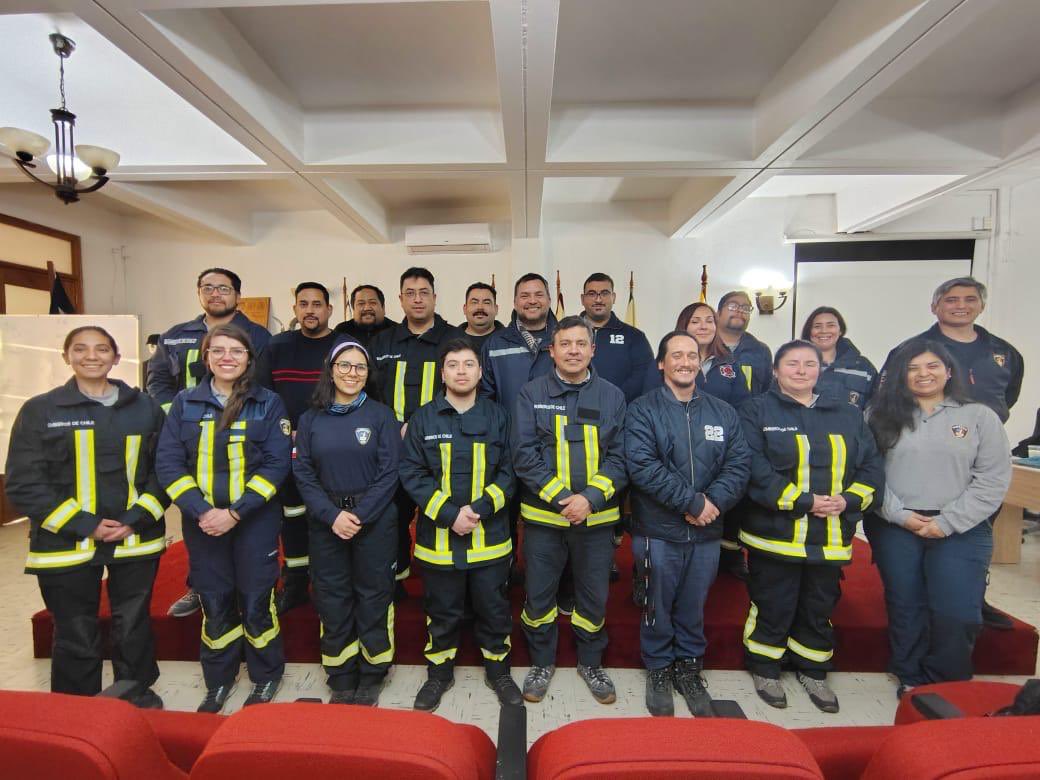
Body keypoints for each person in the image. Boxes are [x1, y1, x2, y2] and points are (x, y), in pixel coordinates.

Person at [5, 327, 169, 706]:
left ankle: (136, 697)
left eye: (101, 349)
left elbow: (165, 470)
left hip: (135, 539)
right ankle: (77, 710)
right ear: (66, 357)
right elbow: (24, 482)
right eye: (80, 349)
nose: (91, 356)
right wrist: (87, 525)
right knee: (75, 630)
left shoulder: (146, 408)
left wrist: (135, 518)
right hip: (64, 544)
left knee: (134, 624)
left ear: (116, 357)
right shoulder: (40, 411)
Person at [739, 340, 884, 713]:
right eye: (792, 364)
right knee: (772, 602)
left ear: (821, 370)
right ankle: (765, 667)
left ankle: (813, 669)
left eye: (809, 364)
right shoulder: (756, 410)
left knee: (820, 604)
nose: (801, 370)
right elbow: (753, 467)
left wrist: (848, 500)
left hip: (830, 535)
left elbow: (871, 467)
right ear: (776, 370)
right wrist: (804, 501)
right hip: (775, 534)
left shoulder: (848, 414)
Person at [156, 324, 292, 713]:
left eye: (236, 350)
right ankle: (219, 679)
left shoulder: (269, 403)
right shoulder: (184, 403)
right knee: (214, 603)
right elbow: (168, 463)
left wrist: (235, 512)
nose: (227, 357)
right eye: (218, 350)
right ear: (206, 357)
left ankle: (266, 676)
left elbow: (276, 465)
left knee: (256, 601)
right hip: (203, 524)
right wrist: (203, 512)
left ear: (249, 358)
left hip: (255, 521)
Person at [866, 339, 1011, 698]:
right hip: (895, 525)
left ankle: (946, 682)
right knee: (905, 603)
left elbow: (992, 478)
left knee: (958, 608)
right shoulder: (877, 415)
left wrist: (946, 522)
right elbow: (868, 471)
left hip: (962, 527)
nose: (923, 374)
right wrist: (898, 514)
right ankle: (910, 676)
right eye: (912, 368)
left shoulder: (979, 416)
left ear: (948, 371)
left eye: (931, 366)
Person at [878, 277, 1023, 630]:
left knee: (965, 564)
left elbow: (1009, 396)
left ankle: (974, 597)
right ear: (935, 307)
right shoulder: (909, 349)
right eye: (951, 299)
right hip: (906, 491)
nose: (961, 305)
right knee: (906, 595)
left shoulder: (1004, 352)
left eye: (969, 299)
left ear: (981, 306)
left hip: (970, 458)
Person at [625, 331, 751, 716]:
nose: (685, 362)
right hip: (657, 530)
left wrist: (712, 504)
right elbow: (642, 466)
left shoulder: (722, 412)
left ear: (700, 362)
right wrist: (692, 502)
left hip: (707, 530)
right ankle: (659, 667)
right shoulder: (642, 410)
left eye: (692, 355)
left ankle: (689, 668)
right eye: (676, 355)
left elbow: (739, 464)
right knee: (657, 604)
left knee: (694, 603)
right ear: (661, 363)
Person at [400, 338, 522, 712]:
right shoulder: (422, 419)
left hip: (490, 539)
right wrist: (450, 515)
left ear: (480, 372)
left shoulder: (499, 417)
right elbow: (412, 473)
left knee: (494, 609)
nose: (461, 371)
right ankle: (439, 673)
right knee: (441, 610)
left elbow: (510, 472)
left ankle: (499, 671)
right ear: (442, 373)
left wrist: (479, 510)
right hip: (439, 541)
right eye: (453, 365)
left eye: (469, 364)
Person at [513, 316, 628, 705]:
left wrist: (589, 499)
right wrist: (564, 499)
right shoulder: (530, 394)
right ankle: (541, 662)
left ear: (593, 350)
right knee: (539, 595)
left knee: (593, 597)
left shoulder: (613, 396)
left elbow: (622, 456)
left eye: (581, 344)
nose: (573, 351)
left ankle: (591, 663)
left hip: (596, 520)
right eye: (565, 344)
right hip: (544, 520)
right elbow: (524, 455)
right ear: (552, 351)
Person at [149, 268, 272, 619]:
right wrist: (183, 419)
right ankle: (199, 586)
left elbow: (265, 385)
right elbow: (157, 382)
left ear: (237, 295)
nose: (216, 293)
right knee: (199, 519)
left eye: (224, 288)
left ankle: (256, 590)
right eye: (208, 287)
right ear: (199, 292)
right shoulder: (174, 336)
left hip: (243, 437)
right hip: (191, 441)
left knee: (251, 522)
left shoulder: (259, 336)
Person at [292, 341, 400, 706]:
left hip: (374, 520)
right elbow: (303, 473)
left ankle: (373, 672)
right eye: (344, 365)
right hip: (327, 521)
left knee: (374, 595)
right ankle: (340, 673)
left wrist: (359, 515)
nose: (352, 373)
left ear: (368, 374)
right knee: (332, 596)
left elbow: (389, 473)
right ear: (331, 369)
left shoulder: (382, 416)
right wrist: (332, 516)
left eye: (360, 367)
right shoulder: (310, 419)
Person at [369, 267, 460, 598]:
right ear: (400, 299)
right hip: (391, 449)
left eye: (424, 293)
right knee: (391, 517)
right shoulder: (381, 342)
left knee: (442, 514)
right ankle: (395, 579)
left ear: (435, 297)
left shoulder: (454, 340)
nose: (417, 299)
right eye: (410, 293)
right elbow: (370, 395)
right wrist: (393, 429)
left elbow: (464, 391)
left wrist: (420, 426)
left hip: (442, 449)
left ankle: (446, 585)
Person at [256, 282, 341, 614]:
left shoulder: (343, 346)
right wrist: (282, 430)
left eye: (317, 304)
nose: (310, 310)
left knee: (327, 516)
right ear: (294, 309)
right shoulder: (276, 347)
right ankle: (294, 582)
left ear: (329, 310)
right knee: (292, 517)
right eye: (303, 304)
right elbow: (261, 396)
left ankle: (326, 582)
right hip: (286, 448)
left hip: (332, 448)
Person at [673, 301, 752, 579]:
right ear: (684, 325)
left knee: (728, 492)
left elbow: (744, 407)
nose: (703, 326)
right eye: (695, 321)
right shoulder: (669, 359)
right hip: (677, 448)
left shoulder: (729, 363)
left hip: (721, 446)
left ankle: (728, 554)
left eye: (709, 320)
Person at [480, 273, 559, 411]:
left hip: (556, 425)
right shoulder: (494, 345)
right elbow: (485, 400)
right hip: (509, 425)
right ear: (515, 303)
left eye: (539, 295)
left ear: (549, 300)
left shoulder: (565, 342)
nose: (532, 301)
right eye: (525, 296)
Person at [580, 273, 655, 403]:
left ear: (613, 297)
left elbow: (643, 376)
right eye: (592, 294)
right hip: (573, 408)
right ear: (582, 299)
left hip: (619, 409)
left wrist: (613, 400)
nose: (598, 299)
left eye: (604, 293)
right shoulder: (566, 334)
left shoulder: (634, 337)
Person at [801, 306, 876, 411]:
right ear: (809, 332)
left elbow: (875, 409)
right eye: (817, 326)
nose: (824, 330)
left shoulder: (862, 367)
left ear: (840, 330)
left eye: (830, 325)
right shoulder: (794, 366)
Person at [717, 291, 773, 395]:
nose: (740, 311)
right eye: (733, 306)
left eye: (746, 308)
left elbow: (767, 392)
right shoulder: (704, 346)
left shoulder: (761, 351)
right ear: (718, 313)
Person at [460, 281, 504, 353]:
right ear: (465, 309)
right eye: (474, 302)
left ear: (496, 309)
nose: (480, 307)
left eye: (486, 303)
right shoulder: (449, 341)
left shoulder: (511, 341)